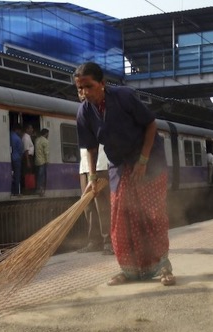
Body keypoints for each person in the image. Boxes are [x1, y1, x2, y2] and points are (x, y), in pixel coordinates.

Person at [75, 62, 175, 286]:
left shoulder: (123, 97)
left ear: (102, 83)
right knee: (121, 218)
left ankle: (163, 267)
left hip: (149, 159)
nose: (84, 93)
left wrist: (143, 160)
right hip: (119, 165)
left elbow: (151, 125)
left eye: (89, 87)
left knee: (152, 214)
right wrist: (92, 178)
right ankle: (130, 271)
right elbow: (90, 147)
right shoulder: (83, 112)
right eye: (80, 88)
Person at [77, 145, 113, 255]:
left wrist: (93, 176)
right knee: (88, 206)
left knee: (102, 206)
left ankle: (108, 241)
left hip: (100, 166)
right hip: (84, 167)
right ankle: (95, 241)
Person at [34, 128, 49, 196]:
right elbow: (46, 152)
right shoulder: (45, 141)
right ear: (46, 133)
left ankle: (37, 189)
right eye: (47, 133)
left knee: (38, 176)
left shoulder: (37, 140)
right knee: (42, 177)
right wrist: (47, 161)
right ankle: (40, 190)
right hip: (42, 161)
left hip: (37, 161)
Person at [10, 124, 24, 196]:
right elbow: (21, 151)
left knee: (11, 175)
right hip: (17, 159)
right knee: (17, 175)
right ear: (17, 130)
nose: (20, 132)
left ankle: (11, 191)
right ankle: (17, 192)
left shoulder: (9, 136)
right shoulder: (18, 139)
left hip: (10, 158)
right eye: (20, 131)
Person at [22, 124, 35, 192]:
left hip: (29, 157)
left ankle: (29, 187)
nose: (32, 130)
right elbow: (26, 150)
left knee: (29, 172)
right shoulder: (26, 138)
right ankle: (27, 189)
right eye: (31, 128)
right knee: (27, 173)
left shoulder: (28, 137)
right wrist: (28, 161)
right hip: (28, 157)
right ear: (27, 129)